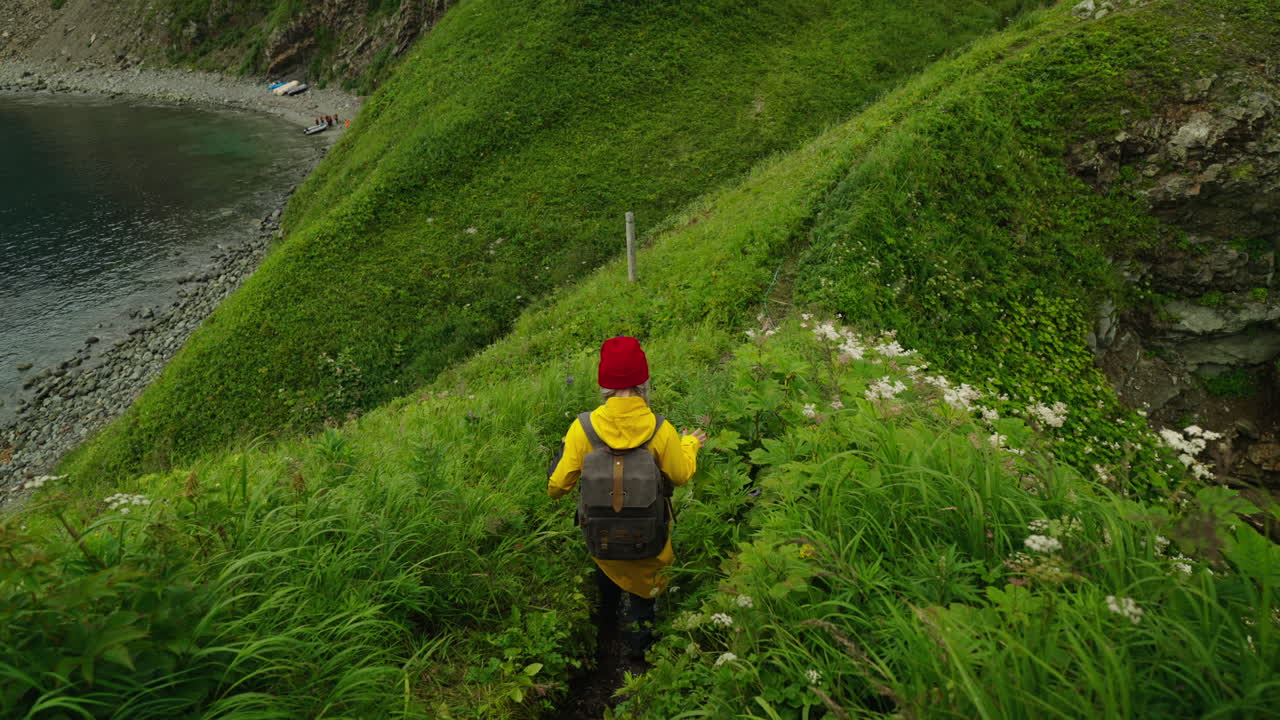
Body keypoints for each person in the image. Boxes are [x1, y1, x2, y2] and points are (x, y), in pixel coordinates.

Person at [547, 336, 706, 660]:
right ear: (643, 382)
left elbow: (556, 488)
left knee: (606, 578)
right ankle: (640, 657)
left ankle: (604, 635)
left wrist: (566, 451)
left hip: (600, 542)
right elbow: (680, 475)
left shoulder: (583, 428)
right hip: (649, 545)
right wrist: (689, 444)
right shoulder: (661, 430)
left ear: (603, 383)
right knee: (643, 602)